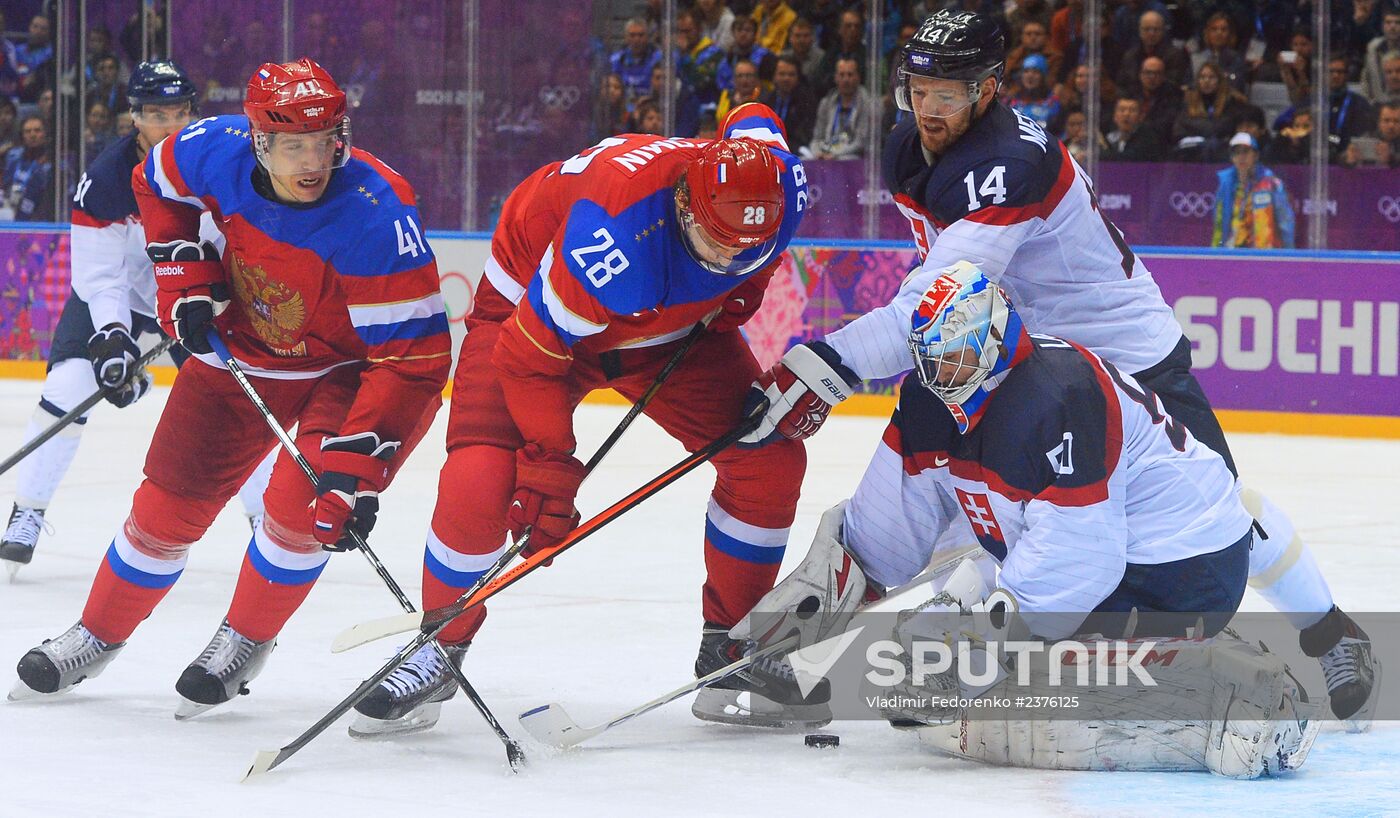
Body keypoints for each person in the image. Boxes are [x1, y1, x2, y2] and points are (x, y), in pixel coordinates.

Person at [739, 9, 1377, 726]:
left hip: (1121, 359)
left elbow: (927, 308)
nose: (927, 109)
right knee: (961, 500)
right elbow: (944, 301)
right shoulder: (911, 145)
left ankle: (1331, 634)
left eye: (947, 93)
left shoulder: (1010, 166)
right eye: (916, 88)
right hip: (1014, 358)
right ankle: (814, 653)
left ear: (988, 89)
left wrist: (823, 363)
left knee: (1213, 507)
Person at [346, 104, 822, 738]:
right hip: (532, 323)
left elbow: (755, 117)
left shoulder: (776, 183)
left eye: (750, 248)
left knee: (768, 458)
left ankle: (733, 652)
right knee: (482, 479)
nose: (728, 261)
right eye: (716, 244)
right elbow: (529, 355)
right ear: (684, 206)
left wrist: (743, 282)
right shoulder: (614, 238)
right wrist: (549, 464)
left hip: (666, 329)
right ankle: (438, 644)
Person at [735, 264, 1317, 779]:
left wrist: (986, 642)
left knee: (994, 675)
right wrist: (807, 613)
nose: (942, 375)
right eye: (930, 358)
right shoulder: (929, 400)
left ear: (996, 341)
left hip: (1188, 565)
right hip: (1110, 561)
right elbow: (884, 535)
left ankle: (1229, 700)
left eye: (957, 355)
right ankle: (1172, 660)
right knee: (925, 651)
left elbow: (1084, 557)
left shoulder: (1056, 395)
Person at [10, 59, 451, 720]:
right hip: (247, 348)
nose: (313, 161)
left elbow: (414, 362)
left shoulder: (379, 213)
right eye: (294, 145)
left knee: (300, 511)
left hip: (353, 372)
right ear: (258, 141)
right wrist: (185, 276)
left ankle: (246, 638)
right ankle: (97, 633)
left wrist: (353, 472)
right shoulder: (204, 149)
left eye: (325, 141)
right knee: (166, 507)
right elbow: (152, 187)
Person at [1, 61, 274, 577]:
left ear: (192, 113)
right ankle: (28, 511)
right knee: (70, 386)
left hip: (191, 293)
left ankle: (267, 518)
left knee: (240, 399)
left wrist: (220, 290)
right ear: (135, 118)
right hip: (121, 297)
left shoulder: (219, 163)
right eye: (155, 114)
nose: (168, 124)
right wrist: (112, 336)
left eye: (177, 112)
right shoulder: (105, 182)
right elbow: (99, 276)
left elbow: (243, 235)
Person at [1212, 132, 1295, 249]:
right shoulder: (1225, 184)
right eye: (1236, 153)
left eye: (1245, 152)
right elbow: (1219, 224)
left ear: (1255, 155)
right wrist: (1216, 253)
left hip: (1264, 254)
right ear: (1231, 157)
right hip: (1232, 253)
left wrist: (1288, 254)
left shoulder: (1271, 183)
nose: (1241, 157)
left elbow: (1285, 221)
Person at [1172, 62, 1251, 161]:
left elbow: (1220, 127)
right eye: (1202, 77)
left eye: (1211, 77)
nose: (1206, 81)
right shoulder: (1188, 100)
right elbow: (1178, 129)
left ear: (1219, 80)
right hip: (1192, 149)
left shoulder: (1231, 101)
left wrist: (1195, 126)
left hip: (1222, 149)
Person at [806, 56, 874, 159]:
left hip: (852, 156)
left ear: (858, 77)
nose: (846, 79)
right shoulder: (826, 103)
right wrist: (817, 153)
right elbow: (817, 138)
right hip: (826, 154)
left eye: (850, 75)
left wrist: (834, 155)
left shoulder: (868, 104)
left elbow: (860, 143)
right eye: (841, 75)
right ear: (835, 78)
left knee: (848, 158)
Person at [1117, 10, 1189, 91]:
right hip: (1133, 101)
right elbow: (1121, 85)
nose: (1151, 33)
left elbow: (1173, 85)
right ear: (1140, 31)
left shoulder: (1175, 55)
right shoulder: (1130, 56)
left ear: (1163, 31)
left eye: (1156, 29)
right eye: (1147, 29)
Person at [1, 115, 54, 221]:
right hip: (11, 217)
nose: (32, 135)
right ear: (22, 136)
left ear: (45, 134)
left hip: (41, 220)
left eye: (37, 130)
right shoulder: (13, 159)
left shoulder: (53, 163)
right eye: (28, 131)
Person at [761, 55, 818, 152]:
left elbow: (804, 134)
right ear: (774, 77)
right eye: (782, 74)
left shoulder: (807, 101)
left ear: (798, 77)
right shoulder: (766, 101)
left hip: (797, 150)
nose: (786, 78)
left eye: (791, 74)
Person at [1190, 11, 1249, 92]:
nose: (1219, 33)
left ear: (1230, 34)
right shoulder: (1197, 57)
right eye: (1214, 29)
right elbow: (1189, 83)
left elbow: (1234, 85)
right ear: (1207, 33)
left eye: (1223, 30)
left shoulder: (1236, 59)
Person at [611, 18, 663, 103]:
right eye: (632, 35)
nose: (636, 40)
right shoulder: (616, 60)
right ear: (626, 37)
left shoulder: (659, 58)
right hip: (623, 108)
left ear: (647, 37)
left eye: (641, 35)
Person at [1005, 53, 1060, 130]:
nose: (1030, 76)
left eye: (1036, 72)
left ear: (1043, 77)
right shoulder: (1011, 102)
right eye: (1026, 71)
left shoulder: (1052, 103)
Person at [1361, 9, 1400, 104]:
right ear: (1383, 26)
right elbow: (1366, 79)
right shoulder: (1373, 48)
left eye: (1397, 23)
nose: (1392, 26)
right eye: (1388, 22)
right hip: (1378, 106)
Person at [716, 58, 762, 123]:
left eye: (748, 75)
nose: (744, 80)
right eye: (740, 76)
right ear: (734, 79)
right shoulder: (726, 96)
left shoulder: (764, 98)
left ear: (756, 78)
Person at [781, 17, 825, 84]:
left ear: (812, 38)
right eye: (797, 36)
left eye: (806, 36)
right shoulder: (782, 58)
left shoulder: (821, 58)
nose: (801, 40)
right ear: (790, 38)